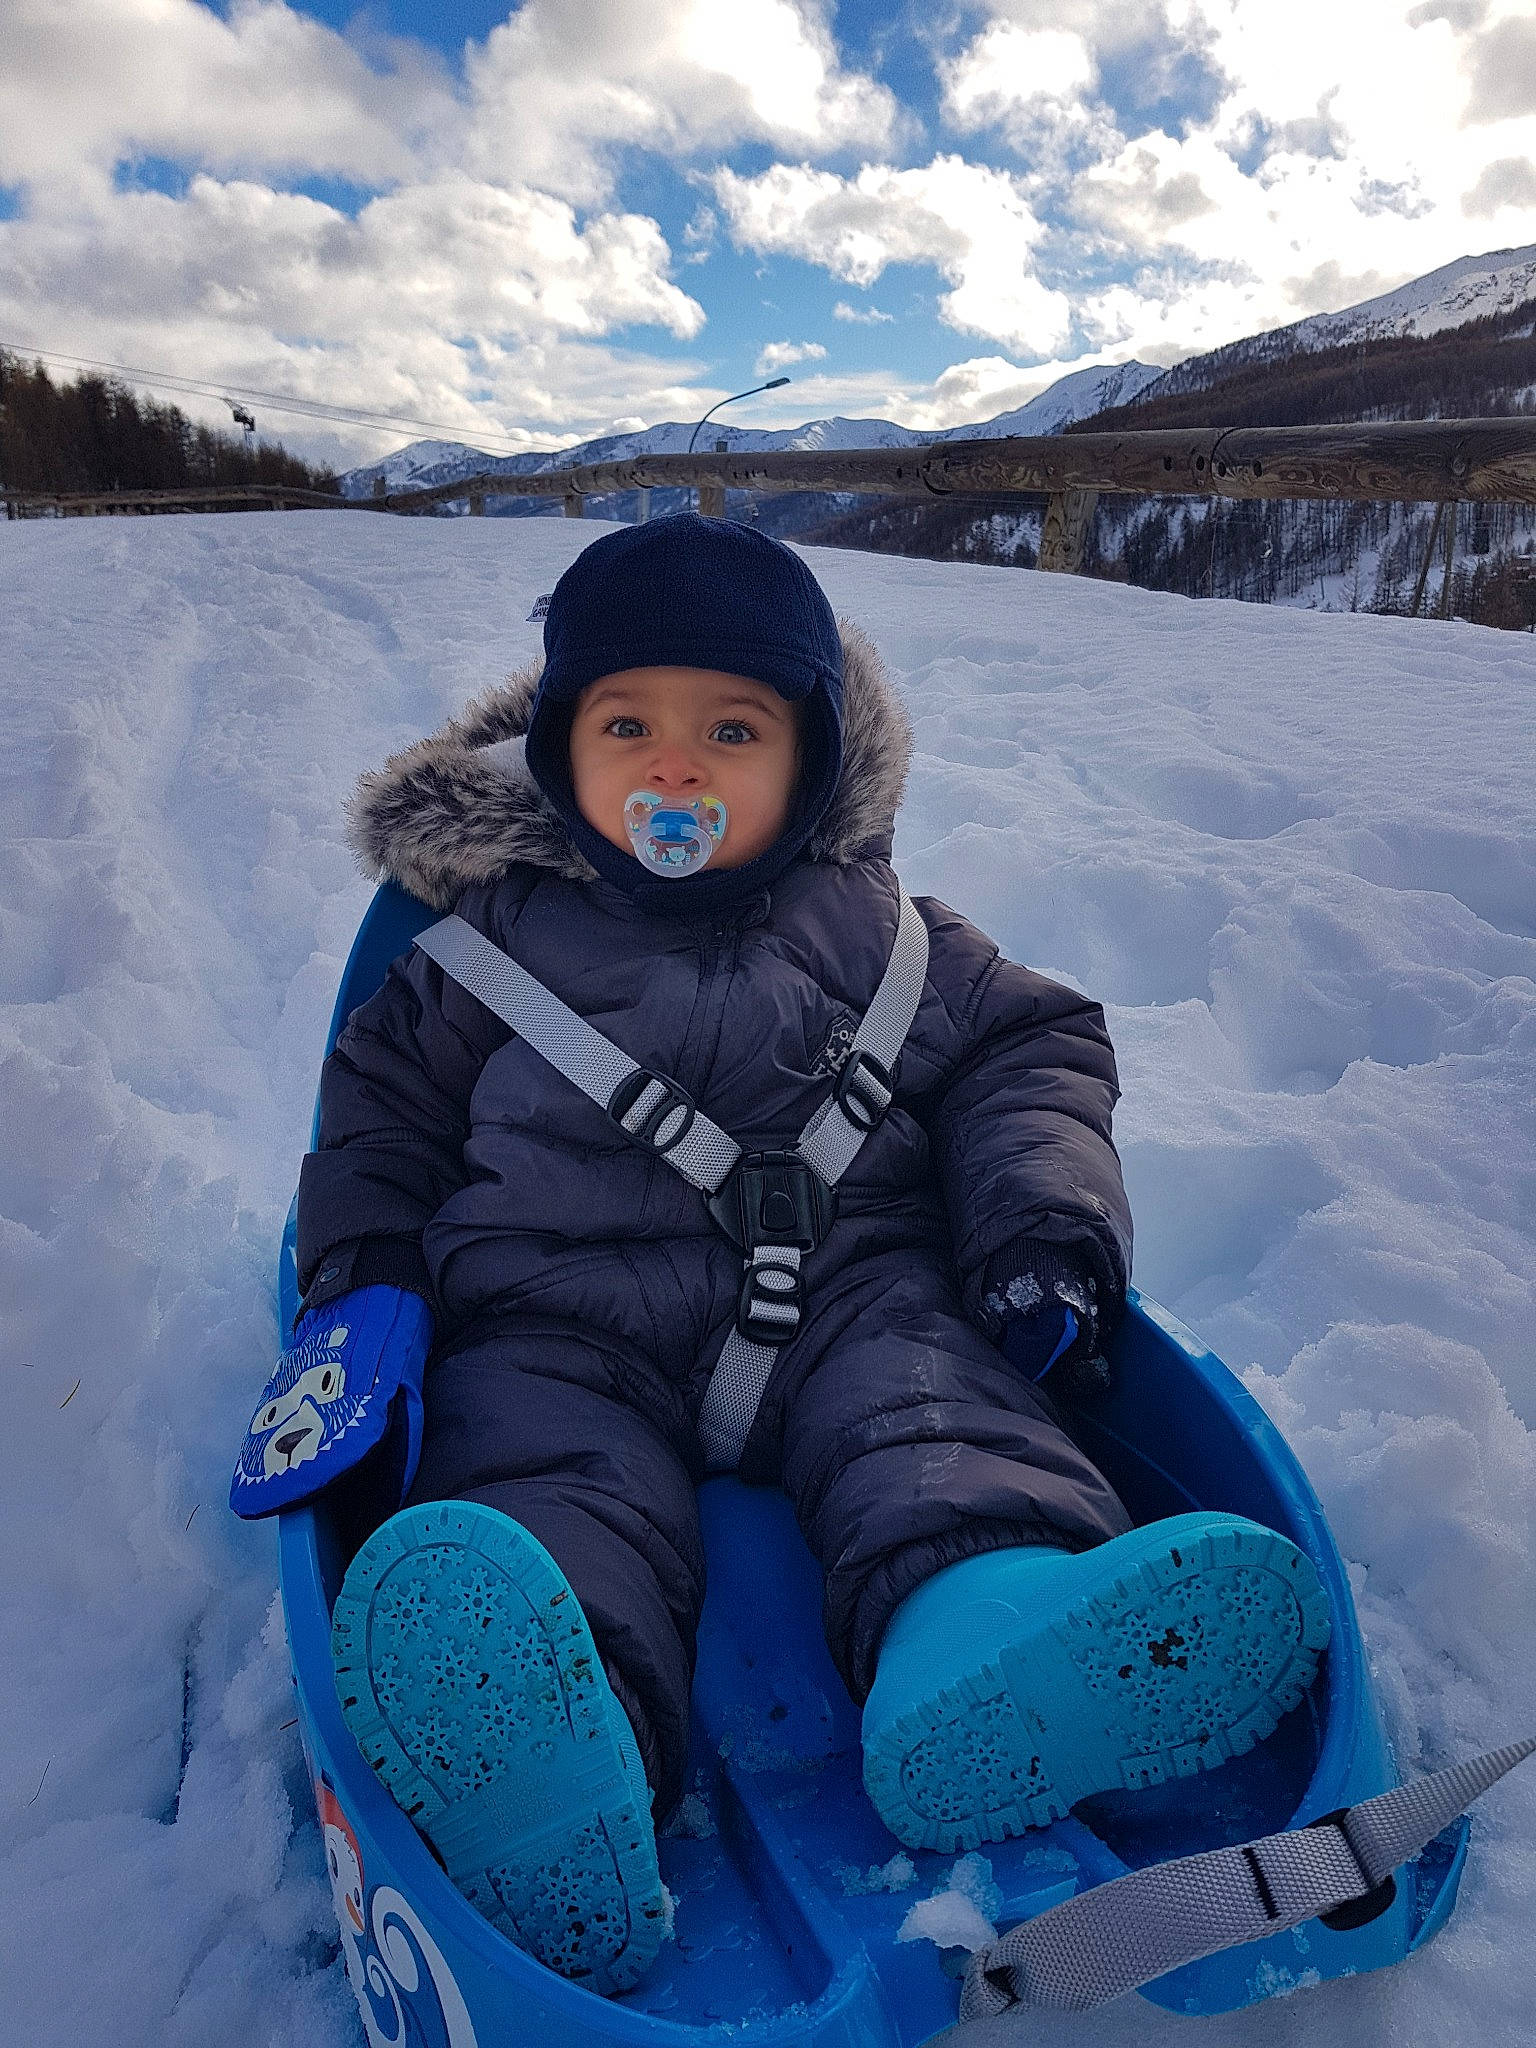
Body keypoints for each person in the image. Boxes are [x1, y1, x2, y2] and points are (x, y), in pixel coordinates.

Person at [232, 515, 1330, 1997]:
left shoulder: (888, 936)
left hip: (848, 1299)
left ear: (812, 760)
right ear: (558, 751)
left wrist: (1039, 1224)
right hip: (560, 1318)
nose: (675, 771)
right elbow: (377, 1122)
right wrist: (364, 1284)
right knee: (535, 1478)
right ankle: (553, 1742)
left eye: (732, 731)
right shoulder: (479, 949)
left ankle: (991, 1632)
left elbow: (1033, 1051)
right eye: (627, 726)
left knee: (936, 1415)